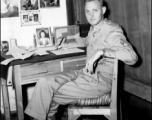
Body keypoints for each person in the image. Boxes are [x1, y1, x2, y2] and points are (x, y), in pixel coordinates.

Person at [25, 0, 138, 120]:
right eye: (88, 11)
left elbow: (132, 57)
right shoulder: (94, 28)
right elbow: (87, 41)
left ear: (103, 10)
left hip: (101, 81)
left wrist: (103, 52)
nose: (91, 15)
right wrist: (68, 43)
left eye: (95, 10)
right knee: (44, 82)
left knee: (48, 94)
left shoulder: (112, 30)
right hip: (85, 74)